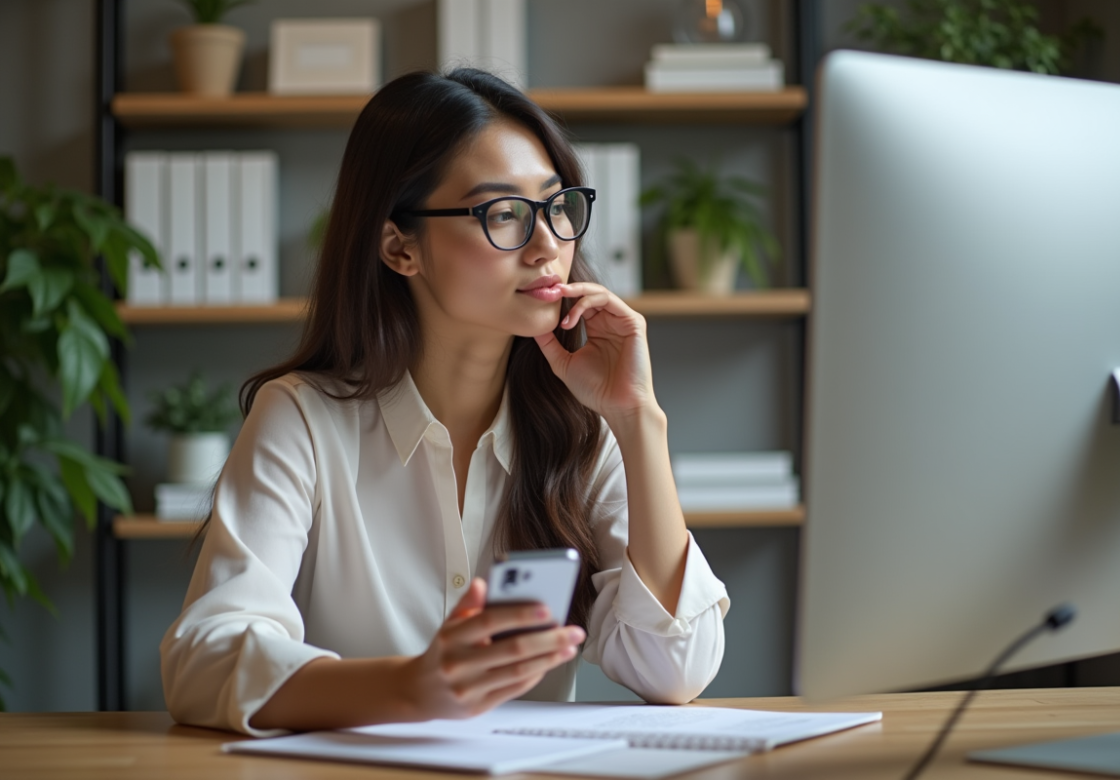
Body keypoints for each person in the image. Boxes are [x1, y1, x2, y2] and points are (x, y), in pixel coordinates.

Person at [160, 68, 729, 736]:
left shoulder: (582, 428)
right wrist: (409, 687)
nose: (549, 246)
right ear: (401, 248)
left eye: (556, 205)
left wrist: (638, 419)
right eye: (504, 214)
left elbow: (676, 669)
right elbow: (204, 660)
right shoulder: (302, 419)